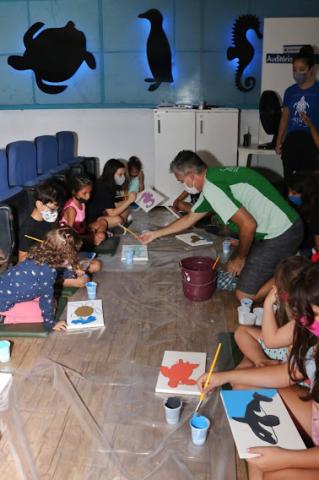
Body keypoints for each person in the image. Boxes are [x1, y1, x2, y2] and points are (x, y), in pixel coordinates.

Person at [198, 263, 319, 479]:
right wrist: (221, 377)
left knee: (273, 473)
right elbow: (287, 373)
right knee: (244, 392)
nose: (308, 321)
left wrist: (286, 457)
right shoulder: (309, 325)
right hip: (314, 413)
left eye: (315, 313)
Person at [140, 150, 304, 302]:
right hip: (278, 229)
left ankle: (295, 273)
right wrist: (155, 234)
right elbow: (189, 218)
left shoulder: (213, 188)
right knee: (229, 269)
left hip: (283, 233)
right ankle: (284, 265)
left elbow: (248, 225)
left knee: (244, 295)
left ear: (190, 175)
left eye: (182, 181)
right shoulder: (214, 178)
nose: (183, 186)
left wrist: (241, 258)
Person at [235, 256, 310, 368]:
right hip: (280, 346)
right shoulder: (301, 303)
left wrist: (268, 303)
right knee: (241, 332)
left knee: (240, 378)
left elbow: (270, 341)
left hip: (291, 360)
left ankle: (263, 365)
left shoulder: (306, 318)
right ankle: (262, 361)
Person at [0, 227, 81, 331]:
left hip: (8, 292)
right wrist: (51, 324)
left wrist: (70, 273)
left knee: (52, 303)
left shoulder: (39, 255)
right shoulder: (48, 271)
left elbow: (57, 269)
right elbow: (46, 299)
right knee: (47, 309)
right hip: (3, 304)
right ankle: (4, 317)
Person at [275, 45, 319, 179]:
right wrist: (278, 141)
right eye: (294, 69)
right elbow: (285, 118)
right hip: (292, 141)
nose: (297, 73)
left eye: (301, 69)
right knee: (290, 179)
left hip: (312, 141)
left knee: (309, 182)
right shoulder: (290, 91)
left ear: (311, 69)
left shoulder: (317, 90)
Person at [18, 179, 65, 262]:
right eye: (52, 209)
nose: (55, 213)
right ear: (39, 205)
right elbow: (21, 259)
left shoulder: (49, 220)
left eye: (57, 210)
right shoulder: (27, 229)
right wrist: (43, 249)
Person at [87, 159, 137, 231]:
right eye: (120, 174)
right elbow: (112, 213)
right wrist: (129, 201)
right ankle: (117, 226)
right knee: (118, 219)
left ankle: (120, 225)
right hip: (95, 219)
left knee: (126, 208)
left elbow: (118, 203)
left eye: (124, 174)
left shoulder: (114, 184)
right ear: (111, 173)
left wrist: (132, 197)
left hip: (105, 213)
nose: (123, 177)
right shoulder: (102, 187)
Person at [286, 172, 319, 257]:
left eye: (294, 193)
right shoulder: (294, 206)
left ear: (305, 194)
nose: (289, 195)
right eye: (289, 191)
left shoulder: (315, 212)